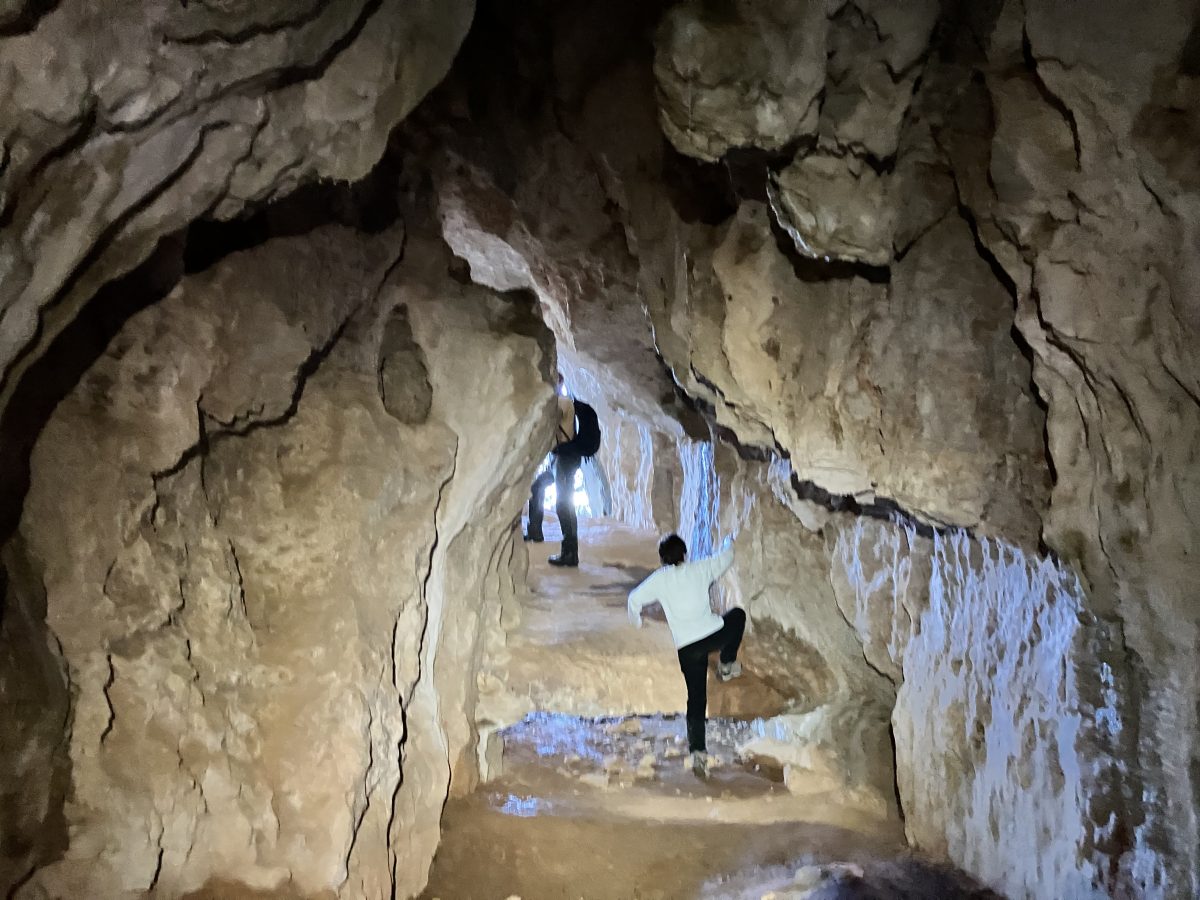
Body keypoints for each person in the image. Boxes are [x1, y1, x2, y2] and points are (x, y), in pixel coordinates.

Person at [627, 533, 746, 777]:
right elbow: (726, 558)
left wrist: (637, 622)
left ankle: (698, 752)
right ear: (684, 553)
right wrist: (728, 541)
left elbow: (634, 599)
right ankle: (726, 664)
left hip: (688, 648)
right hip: (713, 635)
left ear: (663, 559)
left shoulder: (660, 579)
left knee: (696, 699)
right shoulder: (699, 569)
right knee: (737, 616)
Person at [524, 374, 584, 567]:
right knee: (537, 487)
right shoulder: (560, 402)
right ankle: (534, 531)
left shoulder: (563, 403)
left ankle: (570, 553)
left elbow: (549, 420)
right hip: (558, 458)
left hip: (565, 459)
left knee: (564, 504)